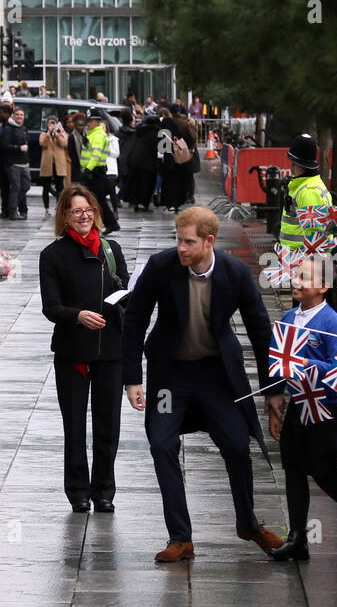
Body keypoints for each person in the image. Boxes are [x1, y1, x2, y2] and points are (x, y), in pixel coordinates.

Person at [121, 206, 285, 562]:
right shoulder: (162, 266)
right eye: (178, 240)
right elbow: (134, 319)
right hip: (169, 377)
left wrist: (273, 390)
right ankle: (180, 538)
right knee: (161, 444)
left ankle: (248, 523)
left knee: (238, 446)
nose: (181, 247)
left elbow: (261, 332)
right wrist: (132, 378)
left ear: (209, 242)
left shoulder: (236, 273)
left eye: (189, 242)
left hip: (216, 375)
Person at [265, 257, 337, 561]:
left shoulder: (332, 323)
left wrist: (306, 364)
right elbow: (275, 362)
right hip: (299, 406)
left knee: (325, 472)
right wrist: (275, 400)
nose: (296, 282)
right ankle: (297, 538)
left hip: (329, 410)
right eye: (296, 275)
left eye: (305, 278)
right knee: (294, 470)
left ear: (324, 288)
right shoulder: (287, 318)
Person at [39, 185, 129, 513]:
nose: (84, 215)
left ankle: (104, 490)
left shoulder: (111, 248)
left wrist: (129, 299)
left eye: (88, 209)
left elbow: (126, 291)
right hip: (72, 353)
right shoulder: (53, 255)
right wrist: (77, 315)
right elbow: (51, 307)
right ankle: (77, 490)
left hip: (110, 353)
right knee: (74, 426)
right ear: (64, 217)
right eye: (76, 211)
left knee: (108, 426)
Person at [278, 134, 333, 251]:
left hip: (304, 261)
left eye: (292, 162)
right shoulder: (305, 187)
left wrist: (307, 266)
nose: (291, 166)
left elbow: (315, 237)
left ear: (298, 163)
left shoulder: (309, 192)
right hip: (298, 260)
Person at [0, 107, 30, 220]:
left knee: (25, 186)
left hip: (24, 164)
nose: (20, 116)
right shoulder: (8, 129)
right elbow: (4, 146)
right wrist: (18, 148)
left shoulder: (23, 128)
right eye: (17, 114)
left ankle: (11, 207)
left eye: (21, 115)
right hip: (13, 164)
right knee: (16, 187)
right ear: (13, 116)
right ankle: (12, 212)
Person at [37, 115, 70, 213]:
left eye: (54, 123)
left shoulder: (62, 134)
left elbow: (65, 144)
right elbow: (43, 144)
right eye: (50, 124)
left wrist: (57, 134)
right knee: (46, 187)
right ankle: (46, 208)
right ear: (47, 125)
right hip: (47, 164)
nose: (52, 126)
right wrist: (48, 134)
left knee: (60, 187)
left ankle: (59, 207)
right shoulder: (43, 134)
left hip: (59, 164)